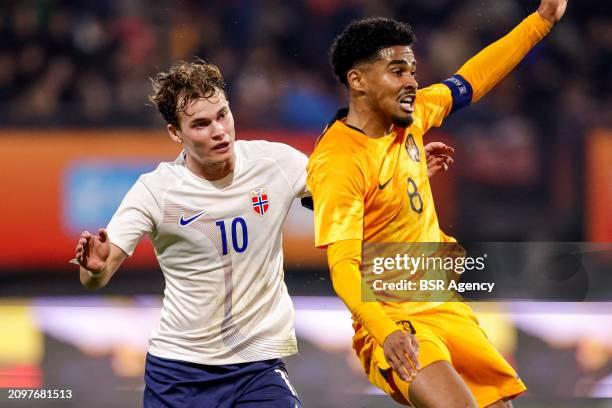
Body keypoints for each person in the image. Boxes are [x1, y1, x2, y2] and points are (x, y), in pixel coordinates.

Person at [73, 59, 453, 407]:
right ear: (175, 132)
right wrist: (93, 268)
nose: (220, 131)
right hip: (179, 375)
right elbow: (98, 276)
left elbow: (349, 198)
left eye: (222, 115)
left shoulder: (277, 162)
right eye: (201, 124)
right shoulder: (155, 191)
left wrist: (405, 177)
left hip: (256, 368)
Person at [306, 1, 567, 407]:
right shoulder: (339, 161)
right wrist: (386, 331)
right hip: (396, 317)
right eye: (397, 71)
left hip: (443, 303)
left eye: (412, 70)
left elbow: (473, 78)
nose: (411, 81)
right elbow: (342, 267)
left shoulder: (413, 116)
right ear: (357, 81)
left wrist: (541, 21)